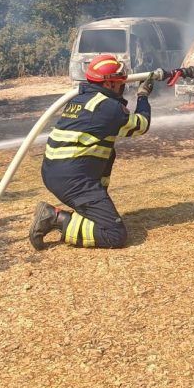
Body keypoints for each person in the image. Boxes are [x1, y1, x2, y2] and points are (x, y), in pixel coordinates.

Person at [29, 54, 155, 250]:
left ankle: (95, 202)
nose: (123, 84)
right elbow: (141, 125)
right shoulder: (107, 108)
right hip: (74, 180)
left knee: (107, 148)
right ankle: (55, 218)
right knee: (114, 234)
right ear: (110, 84)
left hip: (56, 172)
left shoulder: (82, 99)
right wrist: (143, 96)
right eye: (119, 80)